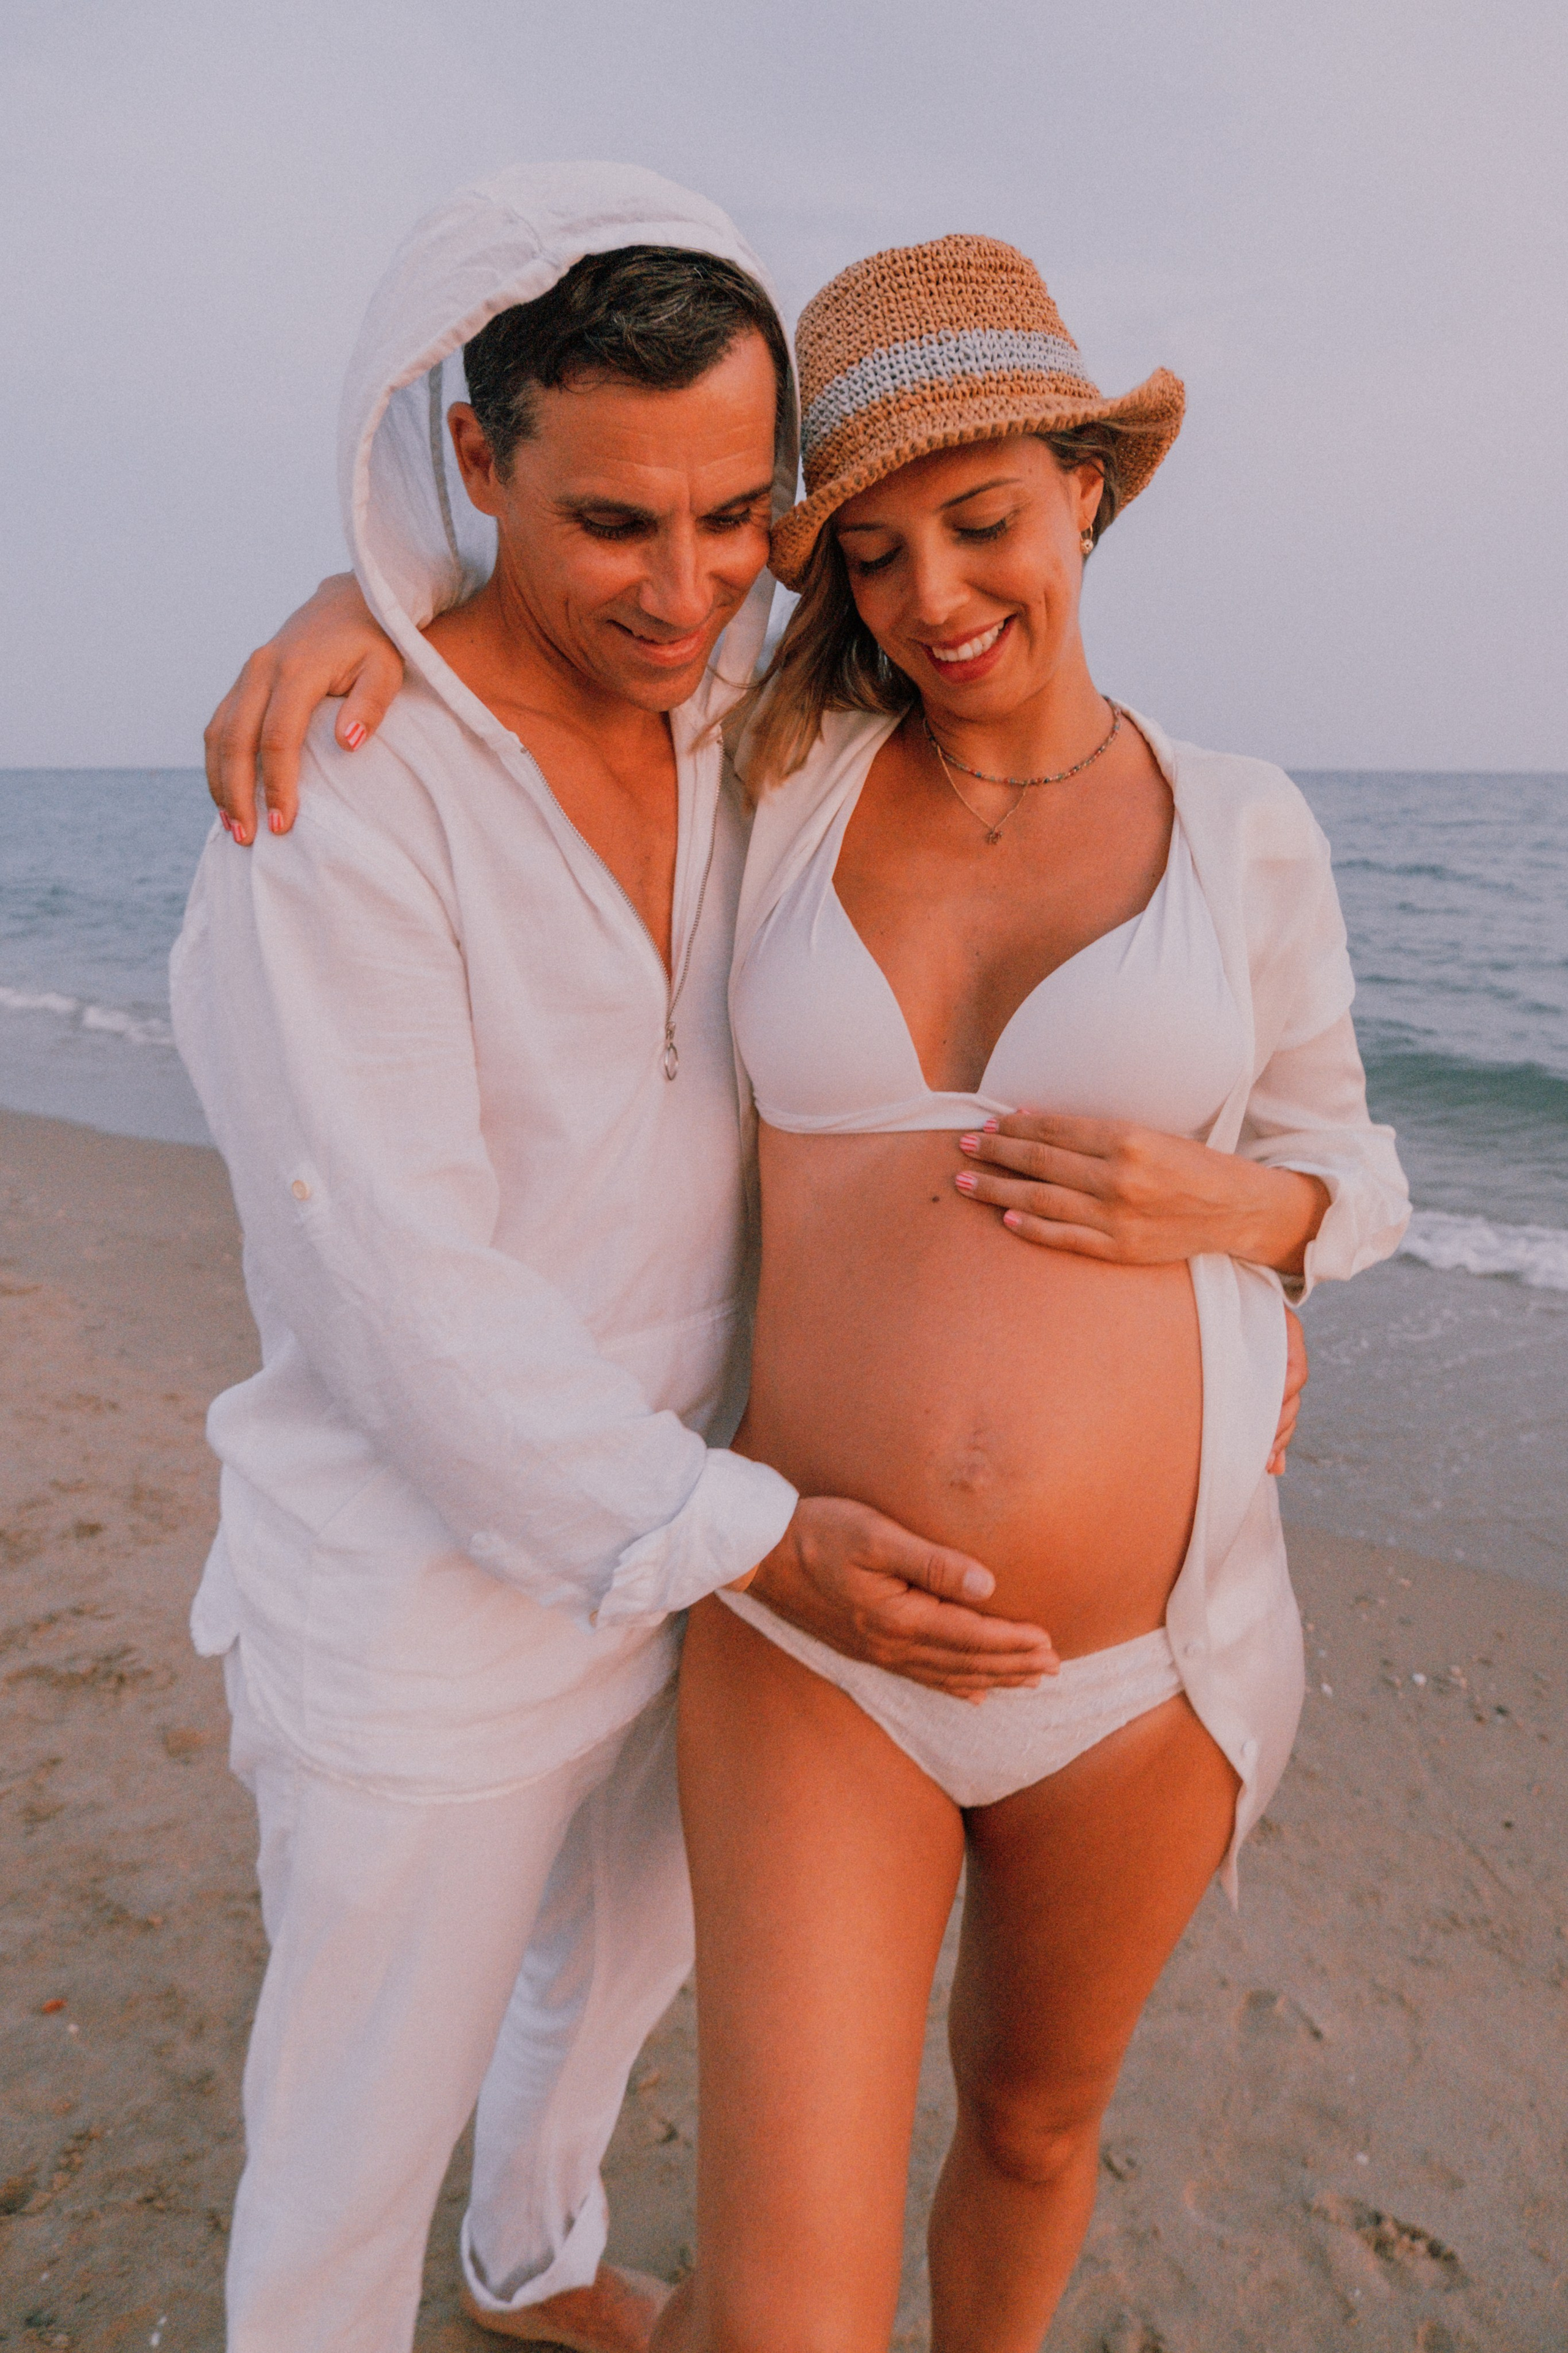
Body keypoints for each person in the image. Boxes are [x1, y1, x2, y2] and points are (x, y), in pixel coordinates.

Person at [173, 168, 1069, 2353]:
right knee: (345, 2142)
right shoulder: (342, 801)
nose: (687, 588)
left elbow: (1009, 690)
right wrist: (754, 1538)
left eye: (735, 512)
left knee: (604, 1984)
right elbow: (401, 1297)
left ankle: (536, 2257)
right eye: (612, 527)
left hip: (723, 1531)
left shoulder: (758, 691)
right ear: (474, 463)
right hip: (431, 1603)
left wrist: (1275, 1219)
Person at [624, 235, 1411, 2353]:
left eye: (982, 522)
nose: (935, 597)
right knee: (788, 2309)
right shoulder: (770, 782)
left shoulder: (1240, 829)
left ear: (1088, 484)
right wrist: (347, 612)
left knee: (1038, 2130)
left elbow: (1358, 1169)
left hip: (1146, 1671)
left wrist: (1225, 1207)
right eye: (871, 554)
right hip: (813, 1633)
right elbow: (556, 630)